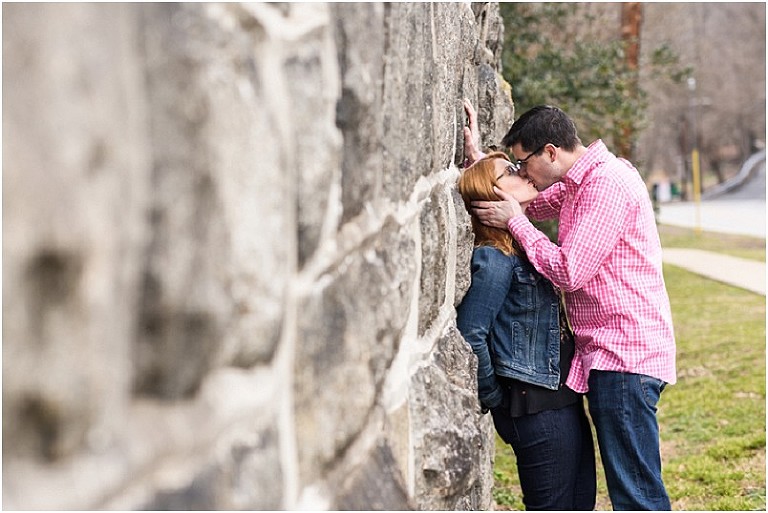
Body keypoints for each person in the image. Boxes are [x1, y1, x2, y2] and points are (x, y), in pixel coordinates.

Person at [463, 100, 677, 511]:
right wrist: (478, 164)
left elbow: (569, 270)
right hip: (611, 357)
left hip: (624, 358)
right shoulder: (579, 184)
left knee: (636, 494)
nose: (522, 172)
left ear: (550, 152)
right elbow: (521, 201)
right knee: (631, 487)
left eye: (523, 162)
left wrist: (515, 222)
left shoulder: (605, 185)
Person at [455, 152, 596, 511]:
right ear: (493, 195)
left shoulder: (520, 247)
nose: (523, 173)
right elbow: (472, 333)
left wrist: (478, 152)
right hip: (535, 409)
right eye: (511, 172)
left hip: (561, 399)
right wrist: (496, 398)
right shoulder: (494, 260)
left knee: (580, 502)